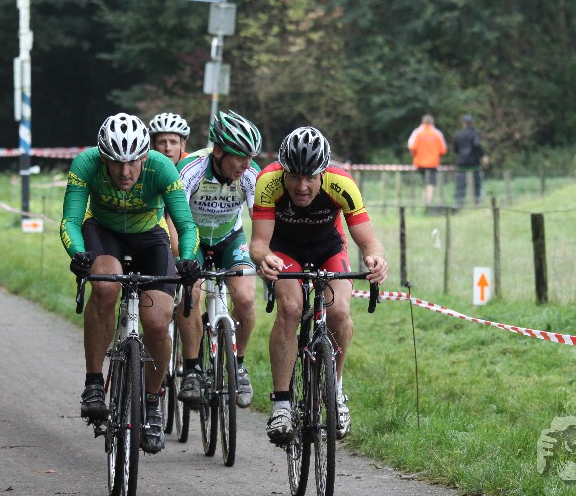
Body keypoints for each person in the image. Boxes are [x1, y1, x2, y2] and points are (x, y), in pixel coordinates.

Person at [60, 113, 201, 454]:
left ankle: (152, 404)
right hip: (103, 233)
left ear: (144, 157)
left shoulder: (161, 168)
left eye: (132, 162)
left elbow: (186, 225)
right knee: (105, 286)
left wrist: (187, 258)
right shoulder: (86, 164)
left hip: (149, 238)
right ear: (103, 158)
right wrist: (78, 254)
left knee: (157, 322)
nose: (124, 172)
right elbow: (71, 221)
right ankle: (94, 383)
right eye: (115, 163)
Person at [250, 126, 388, 444]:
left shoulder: (342, 184)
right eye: (294, 176)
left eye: (310, 177)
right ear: (284, 171)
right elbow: (258, 244)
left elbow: (369, 242)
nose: (302, 186)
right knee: (290, 309)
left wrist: (376, 260)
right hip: (285, 250)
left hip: (328, 248)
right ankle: (282, 404)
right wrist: (265, 259)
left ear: (323, 173)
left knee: (339, 311)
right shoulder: (268, 181)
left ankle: (335, 391)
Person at [174, 110, 263, 410]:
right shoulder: (191, 169)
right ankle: (192, 370)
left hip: (230, 239)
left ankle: (239, 364)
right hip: (193, 238)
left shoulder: (250, 174)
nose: (246, 164)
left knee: (246, 298)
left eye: (250, 157)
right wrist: (183, 256)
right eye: (240, 157)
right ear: (219, 151)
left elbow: (261, 222)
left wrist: (264, 256)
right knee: (191, 294)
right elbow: (172, 218)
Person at [407, 113, 447, 207]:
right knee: (430, 183)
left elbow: (411, 147)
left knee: (426, 182)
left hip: (420, 163)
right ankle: (427, 204)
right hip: (432, 163)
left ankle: (425, 202)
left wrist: (415, 156)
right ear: (432, 122)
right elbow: (443, 150)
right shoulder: (437, 133)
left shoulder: (417, 132)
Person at [453, 114, 485, 206]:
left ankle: (459, 202)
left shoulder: (459, 134)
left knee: (460, 184)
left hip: (462, 163)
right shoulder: (475, 134)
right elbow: (477, 146)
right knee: (477, 183)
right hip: (474, 163)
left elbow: (455, 149)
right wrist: (482, 155)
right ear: (472, 123)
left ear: (463, 123)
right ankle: (477, 201)